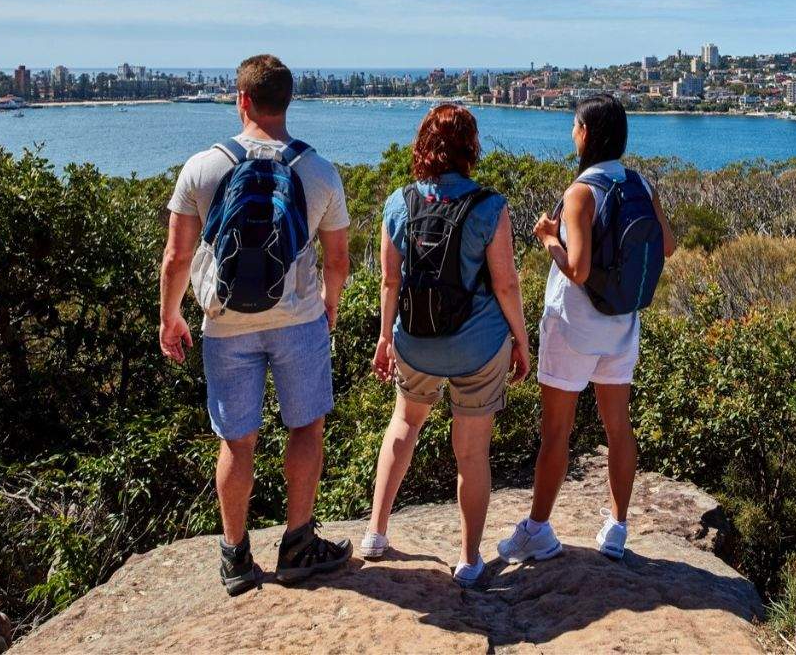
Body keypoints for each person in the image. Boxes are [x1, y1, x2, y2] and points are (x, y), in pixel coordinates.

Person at [158, 54, 354, 596]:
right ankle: (297, 544)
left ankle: (236, 557)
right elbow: (337, 260)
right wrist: (328, 305)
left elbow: (177, 257)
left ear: (241, 99)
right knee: (305, 428)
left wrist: (170, 317)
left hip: (224, 325)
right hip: (299, 321)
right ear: (288, 102)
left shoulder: (203, 166)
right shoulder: (318, 171)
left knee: (236, 443)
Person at [497, 93, 674, 564]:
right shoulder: (640, 184)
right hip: (620, 325)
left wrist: (548, 238)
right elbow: (669, 246)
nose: (571, 133)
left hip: (573, 327)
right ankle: (617, 527)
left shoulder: (580, 192)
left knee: (557, 432)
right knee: (619, 427)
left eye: (574, 125)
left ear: (586, 134)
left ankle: (538, 530)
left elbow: (575, 269)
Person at [363, 104, 531, 586]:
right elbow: (507, 286)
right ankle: (468, 559)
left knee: (403, 424)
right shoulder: (490, 206)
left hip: (414, 341)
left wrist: (383, 337)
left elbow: (390, 282)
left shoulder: (398, 202)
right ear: (469, 148)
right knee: (472, 452)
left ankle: (375, 533)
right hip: (477, 346)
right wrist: (521, 341)